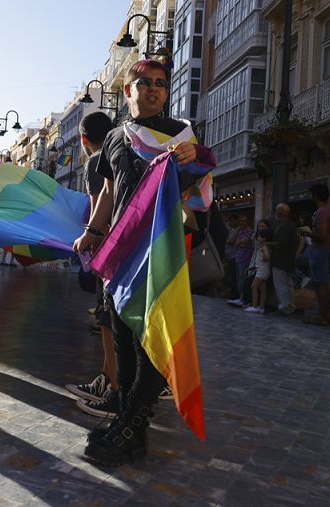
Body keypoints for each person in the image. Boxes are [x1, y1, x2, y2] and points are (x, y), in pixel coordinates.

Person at [73, 58, 203, 466]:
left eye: (161, 84)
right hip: (120, 250)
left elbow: (197, 193)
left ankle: (132, 425)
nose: (153, 89)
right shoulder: (114, 138)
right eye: (144, 82)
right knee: (125, 336)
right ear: (127, 91)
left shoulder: (179, 135)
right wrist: (92, 235)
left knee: (153, 341)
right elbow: (110, 194)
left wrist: (194, 159)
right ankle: (129, 427)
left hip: (160, 249)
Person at [64, 110, 120, 419]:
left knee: (106, 318)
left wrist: (91, 238)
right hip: (127, 244)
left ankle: (113, 386)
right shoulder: (121, 153)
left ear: (84, 139)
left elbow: (102, 201)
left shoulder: (95, 162)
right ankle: (104, 379)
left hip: (107, 248)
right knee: (109, 317)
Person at [302, 183, 330, 326]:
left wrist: (306, 233)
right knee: (323, 283)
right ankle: (326, 314)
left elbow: (321, 235)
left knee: (320, 284)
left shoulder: (322, 212)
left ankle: (322, 315)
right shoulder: (329, 211)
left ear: (315, 195)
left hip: (320, 250)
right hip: (327, 249)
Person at [268, 203, 298, 315]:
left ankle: (284, 307)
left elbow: (281, 243)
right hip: (287, 260)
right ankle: (289, 306)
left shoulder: (285, 226)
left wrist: (267, 243)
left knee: (281, 284)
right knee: (288, 283)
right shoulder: (289, 225)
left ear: (279, 213)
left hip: (281, 260)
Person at [244, 219, 273, 313]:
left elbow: (267, 257)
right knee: (262, 288)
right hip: (262, 269)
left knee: (254, 286)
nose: (258, 238)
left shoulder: (263, 246)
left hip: (262, 270)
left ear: (264, 238)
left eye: (260, 237)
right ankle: (261, 307)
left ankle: (255, 306)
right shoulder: (264, 245)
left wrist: (265, 258)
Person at [227, 215, 254, 307]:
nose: (242, 223)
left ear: (247, 222)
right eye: (240, 221)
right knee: (238, 279)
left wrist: (238, 243)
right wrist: (238, 230)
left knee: (242, 278)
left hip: (245, 257)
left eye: (244, 221)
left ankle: (242, 298)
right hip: (238, 257)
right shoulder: (239, 231)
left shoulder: (250, 231)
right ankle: (240, 297)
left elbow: (242, 242)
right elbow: (231, 241)